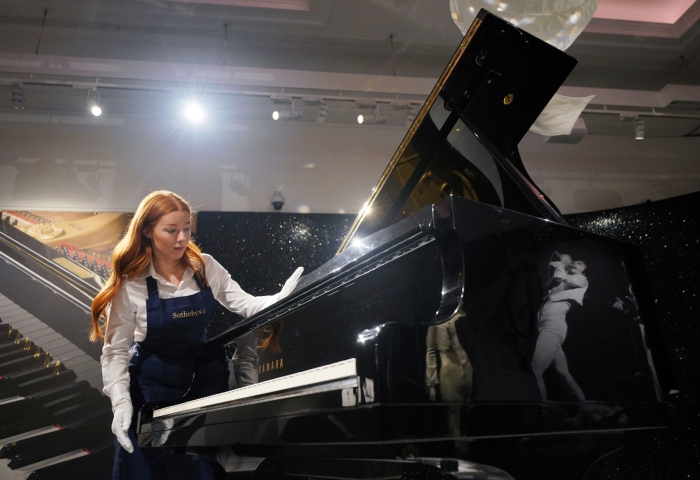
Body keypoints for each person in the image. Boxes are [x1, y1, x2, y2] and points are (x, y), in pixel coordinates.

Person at [89, 190, 303, 480]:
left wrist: (277, 299)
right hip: (154, 391)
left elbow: (245, 304)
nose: (182, 238)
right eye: (172, 230)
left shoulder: (204, 266)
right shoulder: (132, 285)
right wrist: (121, 402)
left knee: (199, 469)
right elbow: (114, 353)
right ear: (148, 231)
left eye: (187, 229)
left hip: (205, 386)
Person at [530, 251, 587, 403]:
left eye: (580, 263)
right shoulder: (562, 286)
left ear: (584, 270)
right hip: (548, 328)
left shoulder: (581, 279)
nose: (575, 263)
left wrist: (561, 264)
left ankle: (542, 411)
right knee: (563, 374)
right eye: (575, 261)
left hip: (553, 328)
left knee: (535, 370)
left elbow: (560, 276)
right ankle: (587, 411)